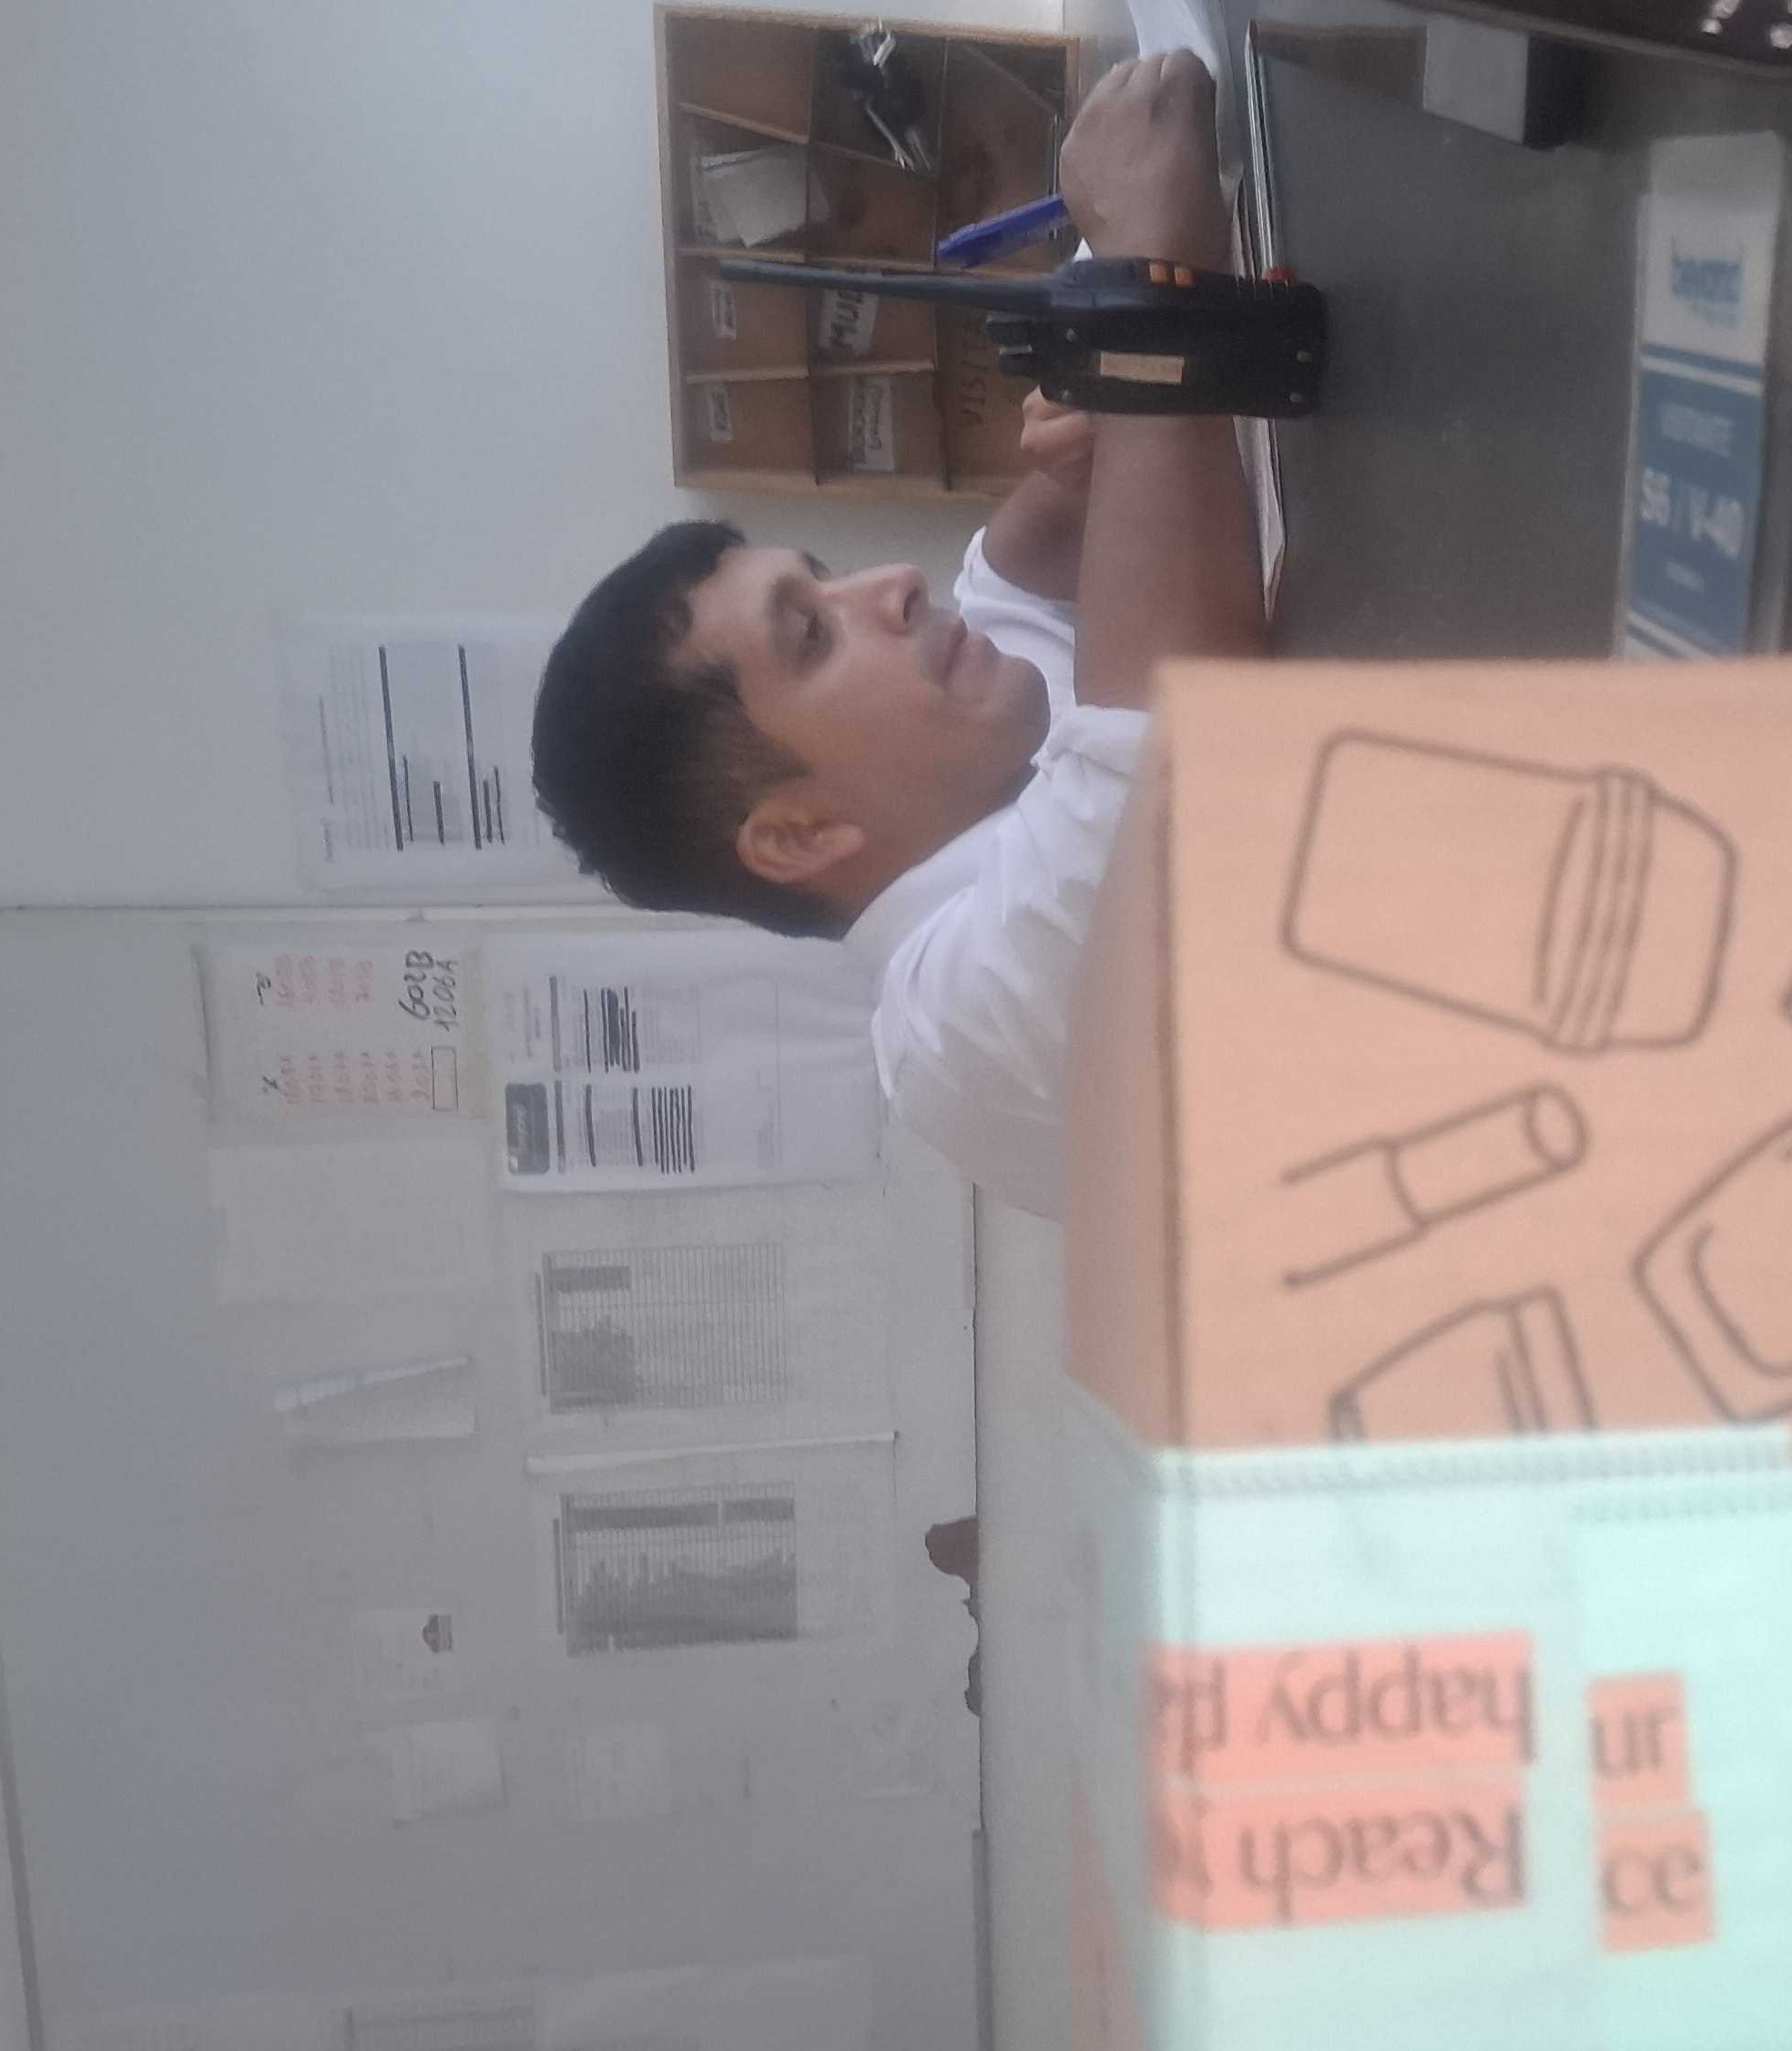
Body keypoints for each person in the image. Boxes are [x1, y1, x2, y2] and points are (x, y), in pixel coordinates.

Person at [532, 52, 1263, 1219]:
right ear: (800, 831)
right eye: (812, 637)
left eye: (820, 579)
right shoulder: (963, 1034)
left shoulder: (988, 729)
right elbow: (1178, 737)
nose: (892, 586)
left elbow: (1022, 554)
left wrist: (1093, 403)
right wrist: (1145, 283)